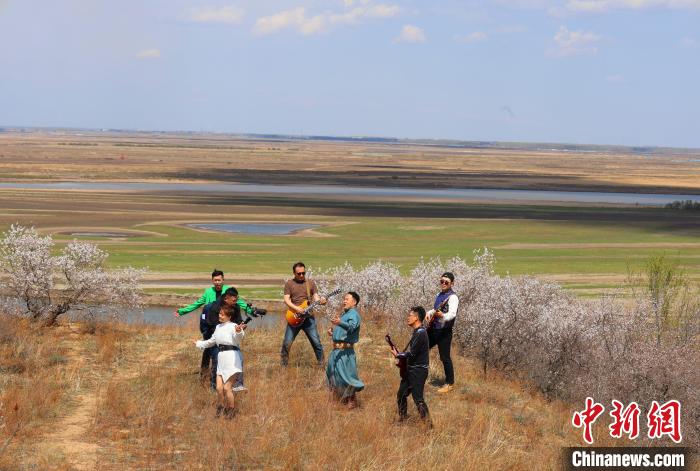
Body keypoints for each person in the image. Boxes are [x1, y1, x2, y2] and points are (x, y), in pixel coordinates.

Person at [174, 269, 254, 379]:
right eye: (215, 280)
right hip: (209, 325)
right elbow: (197, 304)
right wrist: (183, 311)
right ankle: (204, 374)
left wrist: (252, 312)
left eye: (219, 280)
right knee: (208, 349)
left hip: (224, 326)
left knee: (221, 351)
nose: (217, 282)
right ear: (212, 281)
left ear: (223, 280)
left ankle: (219, 376)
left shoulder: (228, 291)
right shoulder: (208, 292)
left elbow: (239, 303)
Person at [194, 304, 247, 419]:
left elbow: (239, 338)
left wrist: (239, 331)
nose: (220, 316)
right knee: (218, 388)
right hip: (221, 359)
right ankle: (221, 408)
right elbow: (211, 341)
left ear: (229, 316)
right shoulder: (218, 327)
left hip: (232, 359)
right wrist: (198, 343)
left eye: (222, 315)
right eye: (219, 314)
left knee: (227, 388)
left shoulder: (234, 326)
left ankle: (231, 411)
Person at [390, 306, 431, 426]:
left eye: (410, 315)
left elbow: (412, 353)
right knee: (401, 395)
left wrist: (398, 355)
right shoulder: (417, 332)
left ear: (417, 317)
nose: (408, 317)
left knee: (418, 399)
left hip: (418, 371)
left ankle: (429, 426)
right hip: (411, 370)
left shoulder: (421, 333)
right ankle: (403, 419)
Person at [280, 262, 326, 366]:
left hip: (308, 318)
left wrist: (322, 301)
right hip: (294, 317)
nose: (301, 275)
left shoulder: (310, 283)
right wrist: (297, 309)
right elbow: (286, 300)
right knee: (287, 343)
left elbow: (316, 297)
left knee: (316, 343)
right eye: (299, 273)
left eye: (303, 273)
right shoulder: (289, 284)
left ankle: (323, 365)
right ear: (294, 273)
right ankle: (283, 367)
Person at [326, 291, 364, 409]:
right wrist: (333, 332)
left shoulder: (354, 314)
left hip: (345, 352)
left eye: (347, 299)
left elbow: (352, 327)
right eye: (344, 299)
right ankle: (338, 399)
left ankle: (352, 400)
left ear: (354, 302)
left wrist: (340, 323)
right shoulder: (345, 314)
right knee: (332, 373)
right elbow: (342, 331)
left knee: (346, 375)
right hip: (336, 351)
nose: (344, 301)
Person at [425, 272, 459, 393]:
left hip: (444, 332)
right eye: (442, 281)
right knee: (422, 348)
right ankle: (418, 372)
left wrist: (442, 316)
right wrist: (429, 313)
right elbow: (436, 309)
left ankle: (450, 383)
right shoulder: (439, 294)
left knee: (444, 357)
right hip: (434, 329)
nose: (443, 284)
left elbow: (452, 314)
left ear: (452, 284)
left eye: (446, 282)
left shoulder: (453, 297)